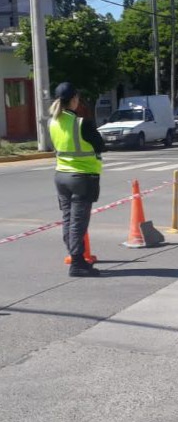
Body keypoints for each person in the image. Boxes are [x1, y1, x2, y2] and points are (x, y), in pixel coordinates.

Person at [48, 82, 105, 277]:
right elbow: (100, 145)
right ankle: (78, 264)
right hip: (82, 177)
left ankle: (76, 258)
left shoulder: (52, 121)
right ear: (74, 99)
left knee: (68, 219)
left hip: (61, 176)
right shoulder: (82, 123)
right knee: (78, 222)